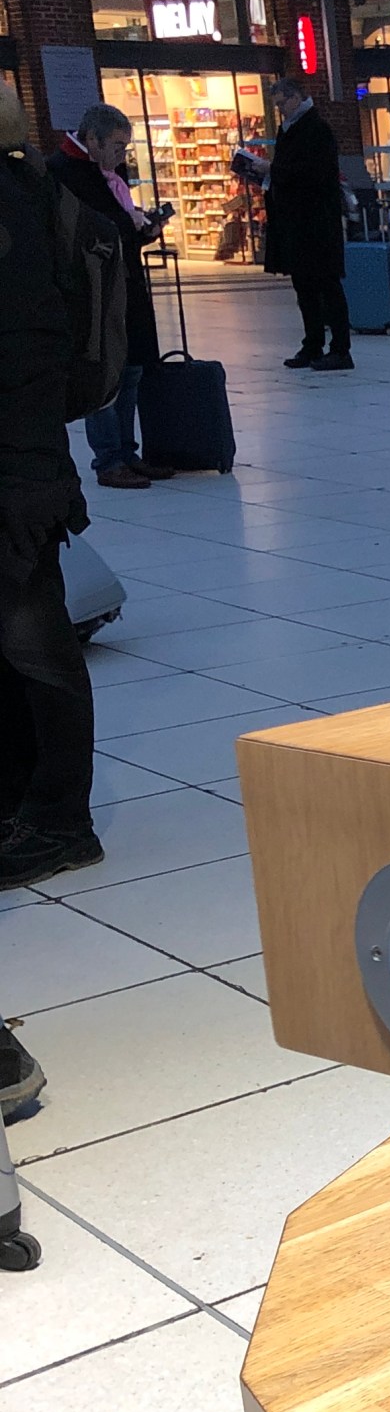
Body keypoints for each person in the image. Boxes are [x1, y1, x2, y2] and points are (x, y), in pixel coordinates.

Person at [0, 84, 102, 890]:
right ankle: (23, 804)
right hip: (22, 461)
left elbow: (31, 346)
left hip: (16, 470)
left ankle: (61, 821)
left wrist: (32, 473)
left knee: (35, 646)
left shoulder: (11, 204)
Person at [48, 102, 173, 491]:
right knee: (104, 372)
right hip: (94, 292)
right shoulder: (62, 173)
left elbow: (117, 229)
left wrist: (142, 230)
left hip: (125, 284)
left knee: (131, 368)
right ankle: (109, 458)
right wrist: (127, 226)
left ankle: (127, 451)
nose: (122, 155)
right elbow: (80, 232)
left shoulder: (109, 173)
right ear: (92, 140)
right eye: (117, 146)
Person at [248, 76, 352, 370]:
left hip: (317, 223)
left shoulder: (316, 129)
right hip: (296, 223)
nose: (280, 110)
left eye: (282, 103)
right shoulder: (289, 129)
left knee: (327, 285)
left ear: (296, 97)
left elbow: (315, 173)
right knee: (304, 287)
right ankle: (313, 344)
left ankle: (340, 349)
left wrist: (273, 169)